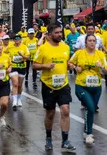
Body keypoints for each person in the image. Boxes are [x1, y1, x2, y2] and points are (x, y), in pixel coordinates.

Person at [33, 24, 76, 152]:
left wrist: (70, 66)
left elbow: (68, 62)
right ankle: (48, 138)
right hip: (48, 85)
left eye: (60, 32)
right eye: (57, 33)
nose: (59, 35)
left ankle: (65, 140)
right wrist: (46, 66)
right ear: (50, 34)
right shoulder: (42, 49)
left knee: (65, 110)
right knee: (50, 114)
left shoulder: (66, 47)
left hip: (63, 84)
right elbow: (34, 65)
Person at [69, 34, 107, 145]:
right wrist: (76, 68)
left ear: (96, 43)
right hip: (81, 85)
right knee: (90, 108)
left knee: (91, 109)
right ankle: (89, 133)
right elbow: (69, 63)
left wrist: (101, 66)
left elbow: (106, 71)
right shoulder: (79, 53)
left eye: (93, 41)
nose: (92, 42)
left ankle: (86, 131)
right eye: (89, 41)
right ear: (85, 42)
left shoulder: (100, 54)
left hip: (96, 87)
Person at [9, 34, 30, 110]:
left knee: (20, 85)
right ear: (14, 40)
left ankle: (18, 99)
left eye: (19, 39)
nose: (17, 40)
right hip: (13, 66)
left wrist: (22, 55)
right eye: (16, 39)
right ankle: (14, 101)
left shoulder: (24, 47)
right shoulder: (10, 47)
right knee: (15, 83)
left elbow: (28, 57)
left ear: (21, 40)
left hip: (22, 66)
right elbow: (5, 53)